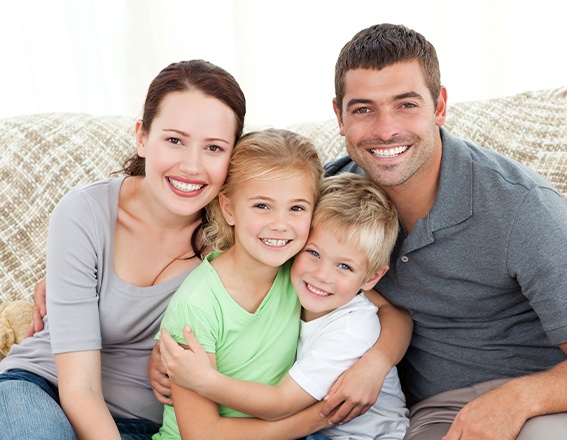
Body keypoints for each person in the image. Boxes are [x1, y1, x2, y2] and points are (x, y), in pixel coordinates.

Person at [320, 23, 567, 440]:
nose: (384, 130)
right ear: (339, 116)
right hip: (435, 412)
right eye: (363, 109)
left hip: (547, 399)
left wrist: (520, 398)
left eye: (405, 105)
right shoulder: (329, 200)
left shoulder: (522, 208)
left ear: (439, 106)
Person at [0, 59, 246, 439]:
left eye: (214, 147)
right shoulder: (85, 213)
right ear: (143, 137)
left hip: (147, 427)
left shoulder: (241, 236)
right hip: (43, 392)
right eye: (175, 140)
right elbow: (79, 389)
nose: (191, 166)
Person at [158, 172, 412, 439]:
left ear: (371, 277)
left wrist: (204, 381)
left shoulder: (351, 329)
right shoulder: (290, 271)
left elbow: (279, 405)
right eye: (313, 253)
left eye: (344, 266)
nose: (322, 275)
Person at [152, 128, 332, 439]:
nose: (280, 224)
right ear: (229, 208)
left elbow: (388, 313)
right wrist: (318, 419)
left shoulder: (304, 272)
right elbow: (202, 434)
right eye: (262, 206)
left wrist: (374, 363)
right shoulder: (197, 305)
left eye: (297, 208)